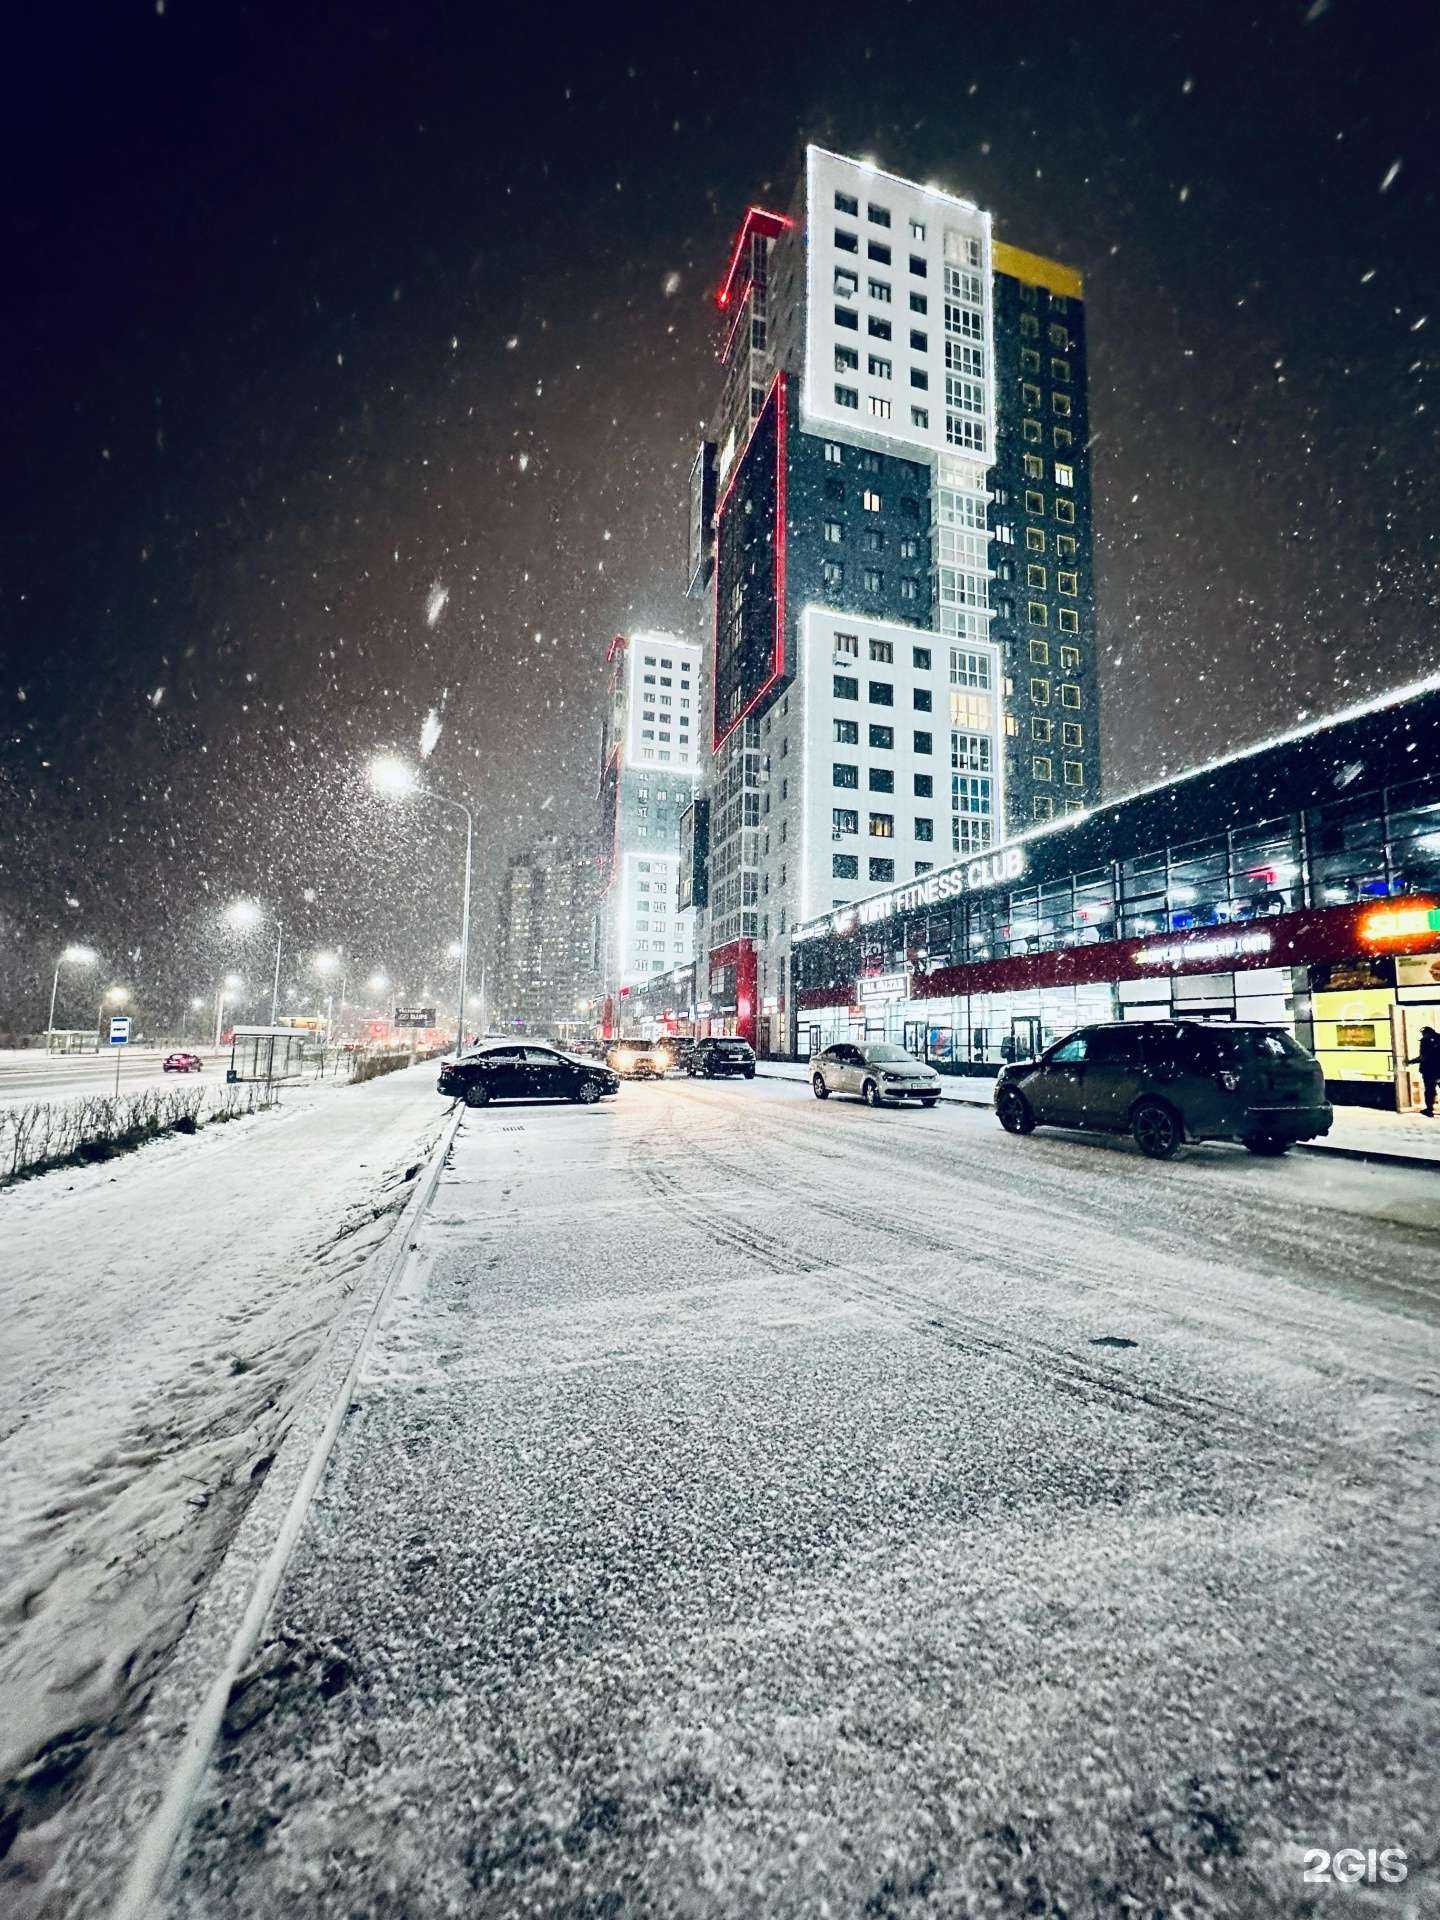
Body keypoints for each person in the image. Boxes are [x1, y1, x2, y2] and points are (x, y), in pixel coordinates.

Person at [1413, 1024, 1440, 1118]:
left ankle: (1429, 1110)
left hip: (1429, 1070)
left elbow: (1423, 1057)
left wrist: (1411, 1061)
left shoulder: (1425, 1040)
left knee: (1429, 1090)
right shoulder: (1438, 1038)